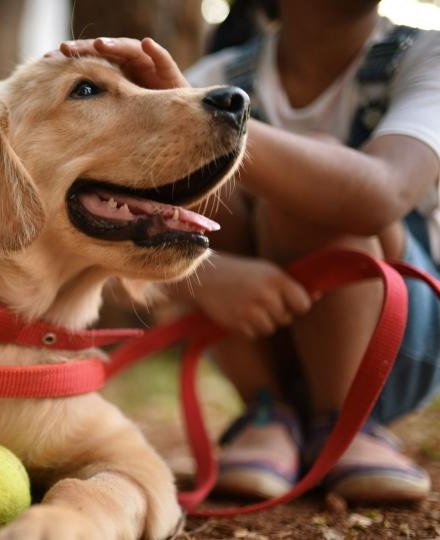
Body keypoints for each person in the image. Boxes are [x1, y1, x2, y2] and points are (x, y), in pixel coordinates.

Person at [60, 0, 440, 504]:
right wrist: (213, 275)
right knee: (197, 181)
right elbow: (127, 221)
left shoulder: (425, 56)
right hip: (259, 339)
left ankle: (348, 422)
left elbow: (381, 193)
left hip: (394, 343)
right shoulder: (220, 71)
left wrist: (204, 114)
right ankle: (268, 412)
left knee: (310, 177)